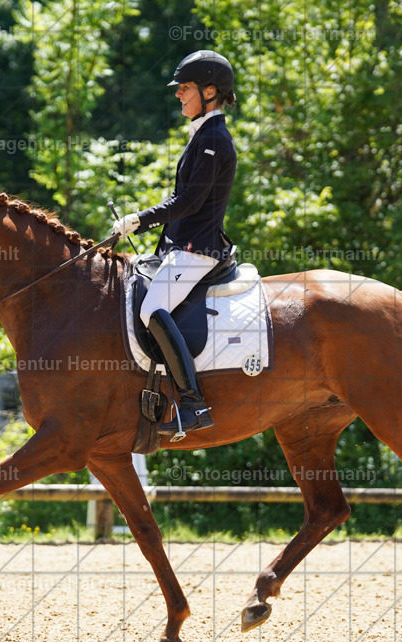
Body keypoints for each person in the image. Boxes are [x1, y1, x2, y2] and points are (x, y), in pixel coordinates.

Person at [112, 50, 237, 437]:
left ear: (209, 91)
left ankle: (193, 404)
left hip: (199, 250)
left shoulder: (214, 139)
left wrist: (140, 219)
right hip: (181, 246)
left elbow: (191, 202)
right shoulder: (203, 135)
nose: (178, 94)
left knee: (152, 309)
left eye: (185, 88)